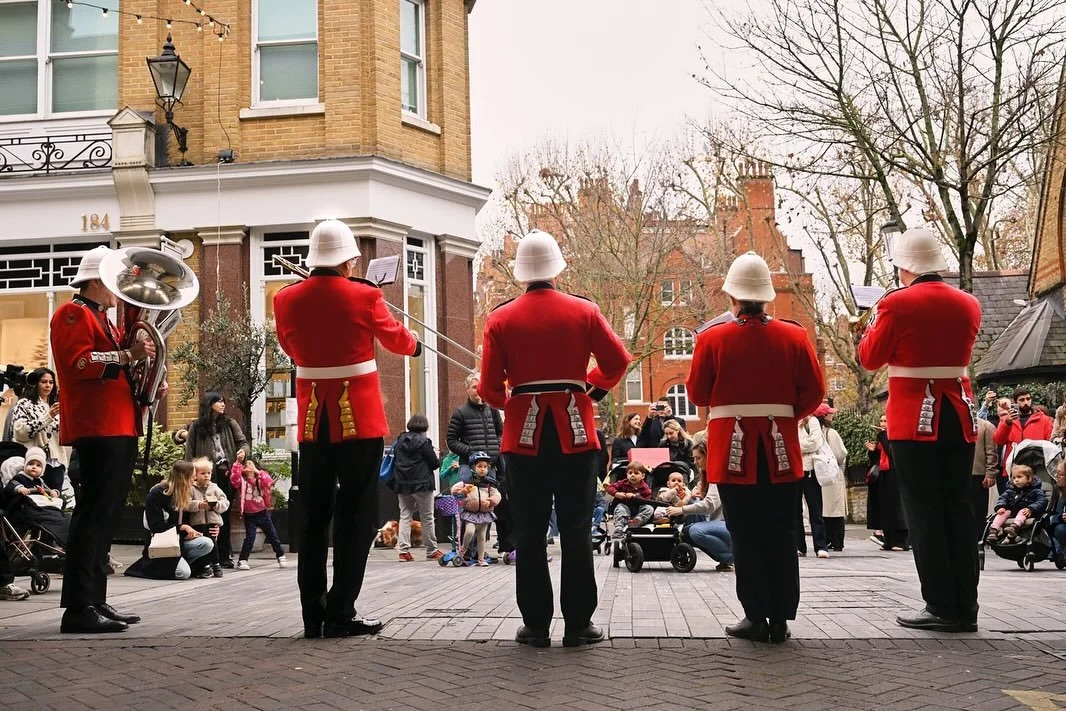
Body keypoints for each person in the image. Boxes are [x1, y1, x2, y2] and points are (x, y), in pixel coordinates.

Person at [479, 229, 630, 648]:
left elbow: (490, 390)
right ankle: (579, 624)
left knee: (528, 530)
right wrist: (590, 388)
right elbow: (618, 360)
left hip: (523, 436)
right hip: (576, 434)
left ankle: (536, 625)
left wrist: (511, 394)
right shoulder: (584, 311)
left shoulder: (500, 318)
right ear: (558, 269)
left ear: (521, 274)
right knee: (578, 527)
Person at [273, 219, 420, 639]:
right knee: (355, 518)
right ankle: (341, 610)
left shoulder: (286, 298)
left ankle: (311, 614)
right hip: (361, 419)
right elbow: (396, 340)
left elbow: (290, 345)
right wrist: (416, 344)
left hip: (312, 419)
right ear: (347, 260)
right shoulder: (365, 295)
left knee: (314, 519)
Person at [687, 251, 824, 644]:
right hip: (781, 447)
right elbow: (813, 393)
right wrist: (783, 416)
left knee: (744, 533)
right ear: (768, 298)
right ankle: (780, 617)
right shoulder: (794, 335)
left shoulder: (712, 338)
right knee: (780, 531)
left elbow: (697, 393)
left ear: (732, 298)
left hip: (732, 448)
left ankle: (754, 614)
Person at [857, 227, 982, 633]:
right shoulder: (969, 303)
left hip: (914, 419)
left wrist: (869, 325)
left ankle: (940, 605)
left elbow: (871, 358)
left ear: (904, 267)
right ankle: (966, 605)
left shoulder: (896, 303)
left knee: (925, 512)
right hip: (958, 415)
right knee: (958, 510)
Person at [51, 245, 159, 633]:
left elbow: (109, 366)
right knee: (93, 517)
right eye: (113, 284)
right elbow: (78, 363)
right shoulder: (72, 313)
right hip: (97, 427)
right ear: (95, 280)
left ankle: (95, 598)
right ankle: (78, 608)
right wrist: (128, 357)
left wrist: (147, 384)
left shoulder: (104, 320)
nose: (118, 293)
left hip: (117, 424)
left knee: (105, 518)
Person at [173, 392, 250, 568]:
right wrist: (189, 476)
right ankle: (207, 557)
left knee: (223, 514)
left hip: (226, 474)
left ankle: (225, 554)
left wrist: (243, 452)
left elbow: (243, 442)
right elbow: (189, 452)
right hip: (204, 476)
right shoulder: (196, 426)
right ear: (209, 404)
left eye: (223, 401)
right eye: (218, 401)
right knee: (202, 515)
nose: (223, 404)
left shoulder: (230, 423)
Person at [446, 372, 510, 555]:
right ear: (467, 389)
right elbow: (451, 440)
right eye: (474, 387)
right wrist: (471, 452)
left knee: (494, 504)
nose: (478, 390)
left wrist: (497, 447)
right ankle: (470, 550)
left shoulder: (493, 409)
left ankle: (501, 546)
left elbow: (501, 432)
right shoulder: (460, 412)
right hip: (469, 468)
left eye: (480, 386)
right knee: (472, 506)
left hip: (492, 466)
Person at [126, 461, 215, 580]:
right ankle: (165, 566)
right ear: (184, 478)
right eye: (192, 477)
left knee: (207, 543)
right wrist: (182, 527)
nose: (194, 480)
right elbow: (155, 525)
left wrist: (213, 526)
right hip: (163, 542)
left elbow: (194, 518)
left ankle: (180, 562)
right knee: (182, 573)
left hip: (179, 540)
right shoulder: (158, 494)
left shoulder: (184, 492)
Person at [663, 440, 735, 571]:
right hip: (716, 524)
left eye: (698, 458)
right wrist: (687, 498)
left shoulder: (718, 476)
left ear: (709, 456)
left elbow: (709, 505)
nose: (695, 462)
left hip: (728, 525)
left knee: (696, 532)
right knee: (684, 533)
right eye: (694, 458)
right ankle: (726, 559)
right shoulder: (705, 478)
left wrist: (680, 509)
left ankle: (730, 557)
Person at [387, 414, 442, 562]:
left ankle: (403, 551)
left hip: (403, 484)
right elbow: (435, 464)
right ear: (424, 426)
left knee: (405, 516)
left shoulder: (399, 441)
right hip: (422, 484)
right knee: (427, 517)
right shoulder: (424, 442)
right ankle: (431, 550)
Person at [9, 367, 69, 496]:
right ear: (35, 383)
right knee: (35, 503)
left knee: (55, 503)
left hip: (57, 463)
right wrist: (48, 417)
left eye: (51, 382)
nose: (48, 385)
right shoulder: (24, 404)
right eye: (43, 381)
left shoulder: (56, 405)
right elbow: (21, 433)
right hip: (34, 464)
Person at [4, 446, 71, 546]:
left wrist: (54, 493)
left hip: (42, 507)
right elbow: (10, 486)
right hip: (27, 509)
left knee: (65, 519)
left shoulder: (40, 481)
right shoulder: (20, 477)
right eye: (30, 464)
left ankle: (66, 540)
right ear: (25, 465)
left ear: (42, 470)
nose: (34, 467)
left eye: (38, 465)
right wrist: (19, 488)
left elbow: (48, 490)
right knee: (52, 520)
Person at [230, 454, 287, 570]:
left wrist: (256, 471)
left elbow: (268, 482)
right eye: (247, 464)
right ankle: (242, 560)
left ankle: (281, 555)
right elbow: (234, 479)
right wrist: (238, 463)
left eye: (251, 464)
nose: (249, 466)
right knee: (250, 537)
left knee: (272, 535)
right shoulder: (242, 481)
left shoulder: (260, 479)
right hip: (249, 515)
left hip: (262, 512)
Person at [449, 452, 501, 566]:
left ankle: (481, 560)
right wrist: (463, 491)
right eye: (479, 466)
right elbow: (454, 490)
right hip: (471, 513)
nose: (482, 469)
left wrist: (490, 501)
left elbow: (497, 495)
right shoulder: (467, 481)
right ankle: (463, 550)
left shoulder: (489, 483)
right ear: (473, 467)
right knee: (469, 531)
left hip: (484, 514)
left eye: (485, 467)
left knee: (482, 537)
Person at [865, 414, 908, 551]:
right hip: (883, 476)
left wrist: (883, 435)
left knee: (896, 508)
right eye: (881, 421)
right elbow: (877, 459)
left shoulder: (894, 435)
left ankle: (901, 541)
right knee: (885, 508)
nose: (882, 423)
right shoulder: (883, 437)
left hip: (894, 477)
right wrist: (872, 451)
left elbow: (892, 452)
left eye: (885, 421)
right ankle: (888, 540)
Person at [188, 457, 230, 578]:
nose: (206, 476)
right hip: (197, 522)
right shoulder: (191, 489)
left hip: (213, 520)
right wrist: (199, 505)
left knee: (213, 542)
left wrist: (216, 505)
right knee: (204, 544)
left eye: (209, 473)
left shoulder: (215, 487)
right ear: (195, 475)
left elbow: (225, 502)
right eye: (202, 473)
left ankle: (216, 565)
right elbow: (187, 504)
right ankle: (206, 567)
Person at [994, 389, 1053, 475]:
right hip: (1014, 468)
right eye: (1022, 400)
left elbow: (1050, 443)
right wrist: (1007, 423)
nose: (1026, 402)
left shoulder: (1044, 419)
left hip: (1038, 466)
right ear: (1015, 402)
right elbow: (998, 440)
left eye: (1028, 399)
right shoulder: (1007, 419)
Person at [985, 464, 1048, 544]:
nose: (1016, 480)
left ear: (1029, 478)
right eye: (1014, 478)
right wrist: (1001, 507)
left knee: (1022, 511)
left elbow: (1041, 501)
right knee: (1003, 512)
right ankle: (993, 530)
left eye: (1019, 477)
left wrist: (1031, 508)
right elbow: (1003, 498)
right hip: (1013, 511)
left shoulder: (1036, 491)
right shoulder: (1010, 490)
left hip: (1027, 512)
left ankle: (1013, 527)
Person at [797, 414, 830, 558]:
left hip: (811, 471)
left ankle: (821, 546)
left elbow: (815, 443)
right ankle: (799, 546)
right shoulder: (791, 419)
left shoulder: (812, 421)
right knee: (794, 511)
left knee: (815, 509)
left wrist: (797, 444)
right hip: (794, 469)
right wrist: (803, 443)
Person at [819, 405, 848, 552]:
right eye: (829, 414)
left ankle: (827, 538)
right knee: (836, 509)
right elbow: (840, 453)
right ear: (824, 417)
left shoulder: (816, 433)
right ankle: (837, 541)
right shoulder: (832, 433)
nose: (832, 416)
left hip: (820, 474)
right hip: (833, 473)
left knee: (824, 509)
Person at [607, 462, 655, 539]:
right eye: (630, 473)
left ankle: (637, 521)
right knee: (620, 507)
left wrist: (636, 496)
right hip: (625, 506)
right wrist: (617, 494)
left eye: (636, 473)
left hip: (639, 509)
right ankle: (619, 528)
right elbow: (610, 488)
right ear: (627, 475)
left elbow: (648, 499)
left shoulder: (645, 487)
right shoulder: (622, 483)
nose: (632, 475)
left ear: (642, 476)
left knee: (649, 508)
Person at [970, 417, 999, 540]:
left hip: (978, 473)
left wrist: (990, 473)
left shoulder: (986, 426)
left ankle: (978, 537)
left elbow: (992, 452)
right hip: (958, 473)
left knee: (978, 508)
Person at [1049, 460, 1066, 567]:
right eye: (1056, 473)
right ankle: (1061, 553)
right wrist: (1061, 517)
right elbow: (1052, 515)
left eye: (1060, 474)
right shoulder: (1058, 491)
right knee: (1060, 529)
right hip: (1062, 525)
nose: (1057, 476)